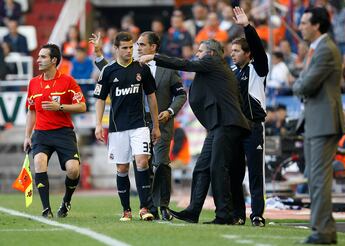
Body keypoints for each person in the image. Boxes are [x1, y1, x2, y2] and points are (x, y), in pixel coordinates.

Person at [139, 38, 250, 225]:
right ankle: (193, 211)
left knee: (218, 167)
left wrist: (154, 57)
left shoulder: (212, 62)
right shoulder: (213, 69)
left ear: (211, 53)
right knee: (202, 168)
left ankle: (224, 215)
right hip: (217, 125)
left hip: (226, 124)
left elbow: (185, 64)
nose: (196, 54)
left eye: (200, 51)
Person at [90, 31, 187, 221]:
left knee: (156, 163)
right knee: (132, 167)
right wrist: (99, 54)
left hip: (152, 123)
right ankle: (138, 208)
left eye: (139, 45)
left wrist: (165, 116)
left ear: (153, 47)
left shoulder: (160, 68)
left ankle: (158, 206)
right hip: (125, 125)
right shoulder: (119, 67)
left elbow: (171, 95)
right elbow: (109, 78)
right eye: (135, 46)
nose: (136, 49)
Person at [93, 32, 161, 222]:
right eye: (124, 47)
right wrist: (98, 124)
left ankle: (144, 207)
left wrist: (155, 126)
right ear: (115, 49)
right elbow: (99, 99)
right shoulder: (108, 71)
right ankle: (126, 210)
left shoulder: (141, 68)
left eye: (131, 47)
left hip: (139, 125)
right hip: (117, 128)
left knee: (142, 162)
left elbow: (152, 97)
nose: (129, 51)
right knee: (122, 168)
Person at [292, 7, 345, 244]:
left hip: (324, 121)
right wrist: (299, 83)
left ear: (317, 25)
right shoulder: (318, 48)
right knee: (313, 178)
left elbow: (306, 85)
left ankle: (323, 231)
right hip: (316, 120)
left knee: (319, 178)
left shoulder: (326, 49)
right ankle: (324, 228)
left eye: (304, 23)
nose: (300, 26)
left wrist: (297, 85)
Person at [23, 43, 86, 218]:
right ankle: (46, 209)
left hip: (64, 132)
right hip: (41, 133)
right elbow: (31, 110)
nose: (38, 60)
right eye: (39, 57)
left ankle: (66, 201)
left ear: (53, 60)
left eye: (43, 57)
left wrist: (60, 107)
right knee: (39, 163)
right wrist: (27, 136)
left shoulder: (68, 81)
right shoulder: (33, 83)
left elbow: (82, 106)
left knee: (73, 170)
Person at [229, 6, 268, 227]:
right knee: (235, 174)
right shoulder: (233, 74)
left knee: (255, 174)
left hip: (253, 127)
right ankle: (238, 214)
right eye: (231, 50)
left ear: (247, 53)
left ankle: (257, 215)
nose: (232, 54)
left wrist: (247, 27)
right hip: (236, 128)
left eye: (236, 51)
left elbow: (259, 50)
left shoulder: (258, 69)